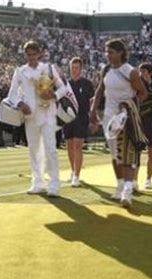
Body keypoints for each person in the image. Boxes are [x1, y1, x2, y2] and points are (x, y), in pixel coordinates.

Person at [89, 39, 148, 207]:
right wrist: (93, 112)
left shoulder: (130, 72)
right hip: (109, 117)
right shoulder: (105, 69)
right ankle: (120, 185)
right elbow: (100, 90)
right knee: (115, 155)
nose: (108, 55)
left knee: (127, 154)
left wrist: (129, 105)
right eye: (107, 52)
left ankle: (127, 191)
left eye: (111, 52)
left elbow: (143, 93)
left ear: (121, 53)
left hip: (126, 118)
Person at [5, 40, 68, 197]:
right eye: (28, 54)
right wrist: (20, 103)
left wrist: (53, 95)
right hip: (30, 115)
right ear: (25, 55)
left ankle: (54, 184)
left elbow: (63, 88)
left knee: (50, 149)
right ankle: (37, 182)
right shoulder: (20, 71)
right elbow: (11, 94)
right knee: (34, 150)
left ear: (39, 54)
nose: (31, 57)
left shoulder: (48, 68)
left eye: (34, 54)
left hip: (48, 113)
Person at [63, 57, 95, 188]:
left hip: (81, 118)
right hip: (67, 119)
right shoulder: (65, 84)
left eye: (77, 68)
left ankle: (76, 175)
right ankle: (73, 170)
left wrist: (93, 118)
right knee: (69, 146)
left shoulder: (87, 84)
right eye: (72, 68)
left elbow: (92, 101)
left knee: (77, 146)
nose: (74, 70)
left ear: (81, 69)